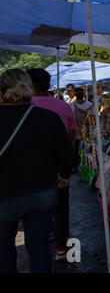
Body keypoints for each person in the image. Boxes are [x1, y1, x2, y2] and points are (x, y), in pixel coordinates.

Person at [0, 69, 72, 273]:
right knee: (39, 248)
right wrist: (64, 176)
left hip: (4, 196)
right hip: (42, 193)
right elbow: (66, 154)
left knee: (4, 249)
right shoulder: (48, 118)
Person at [27, 68, 76, 261]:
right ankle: (62, 246)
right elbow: (71, 137)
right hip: (58, 165)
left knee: (36, 208)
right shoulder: (63, 106)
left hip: (32, 167)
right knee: (61, 206)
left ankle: (43, 236)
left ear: (30, 85)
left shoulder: (23, 106)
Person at [71, 87, 93, 171]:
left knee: (86, 149)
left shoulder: (89, 105)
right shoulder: (71, 105)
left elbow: (91, 118)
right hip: (75, 130)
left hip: (87, 130)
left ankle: (86, 167)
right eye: (77, 92)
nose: (78, 94)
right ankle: (75, 166)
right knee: (75, 149)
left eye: (80, 92)